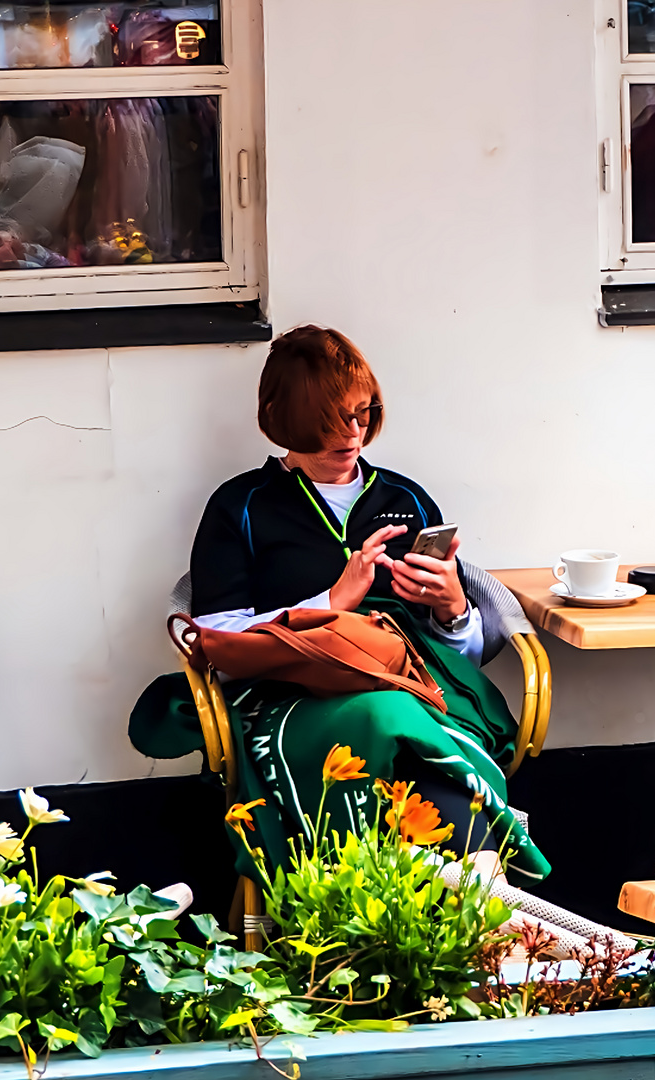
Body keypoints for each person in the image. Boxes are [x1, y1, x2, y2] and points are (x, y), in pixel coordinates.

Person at [130, 326, 549, 884]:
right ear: (282, 421)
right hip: (292, 692)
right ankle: (466, 897)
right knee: (385, 718)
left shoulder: (404, 498)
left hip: (418, 679)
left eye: (361, 415)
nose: (351, 436)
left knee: (403, 723)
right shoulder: (241, 507)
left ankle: (448, 909)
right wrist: (332, 601)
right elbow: (220, 644)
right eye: (329, 425)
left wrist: (453, 609)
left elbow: (463, 657)